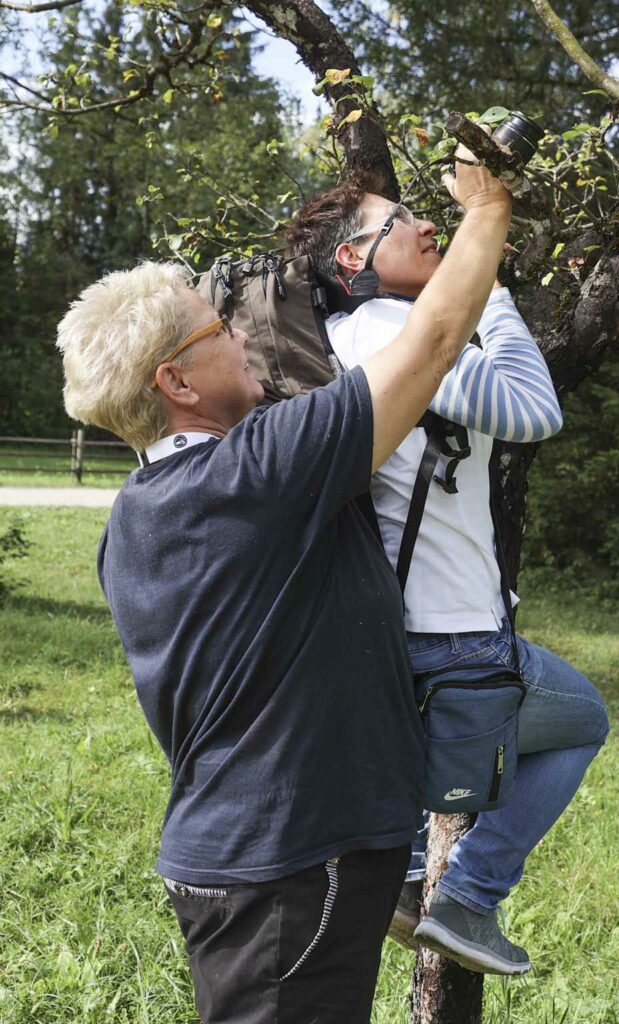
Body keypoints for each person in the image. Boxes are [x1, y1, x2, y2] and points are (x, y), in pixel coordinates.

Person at [55, 150, 513, 1024]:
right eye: (216, 330)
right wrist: (487, 209)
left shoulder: (139, 517)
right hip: (294, 868)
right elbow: (433, 346)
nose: (241, 331)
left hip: (245, 856)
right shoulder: (257, 473)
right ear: (176, 382)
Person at [287, 177, 610, 977]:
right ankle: (469, 899)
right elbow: (533, 412)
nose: (430, 224)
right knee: (584, 719)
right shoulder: (390, 328)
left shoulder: (351, 332)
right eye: (404, 221)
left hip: (401, 633)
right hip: (452, 639)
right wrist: (490, 290)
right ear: (354, 255)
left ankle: (402, 879)